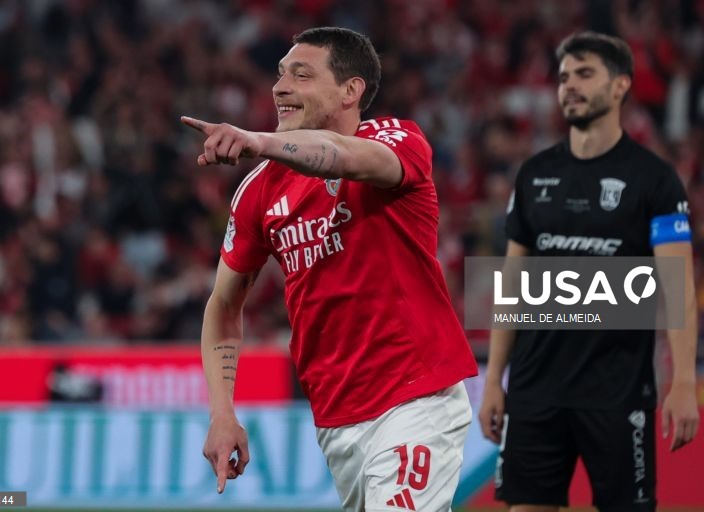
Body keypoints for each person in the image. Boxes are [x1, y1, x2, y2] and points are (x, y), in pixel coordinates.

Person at [183, 27, 478, 511]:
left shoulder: (395, 138)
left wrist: (258, 141)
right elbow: (223, 305)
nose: (280, 87)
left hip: (415, 398)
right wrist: (222, 413)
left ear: (350, 90)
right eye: (280, 75)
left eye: (301, 75)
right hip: (336, 418)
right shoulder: (259, 191)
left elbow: (343, 157)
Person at [479, 32, 700, 512]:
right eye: (563, 78)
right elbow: (512, 287)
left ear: (620, 86)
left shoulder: (655, 181)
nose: (569, 86)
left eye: (584, 74)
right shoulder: (534, 174)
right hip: (536, 390)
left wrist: (683, 382)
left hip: (618, 393)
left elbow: (677, 289)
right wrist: (495, 378)